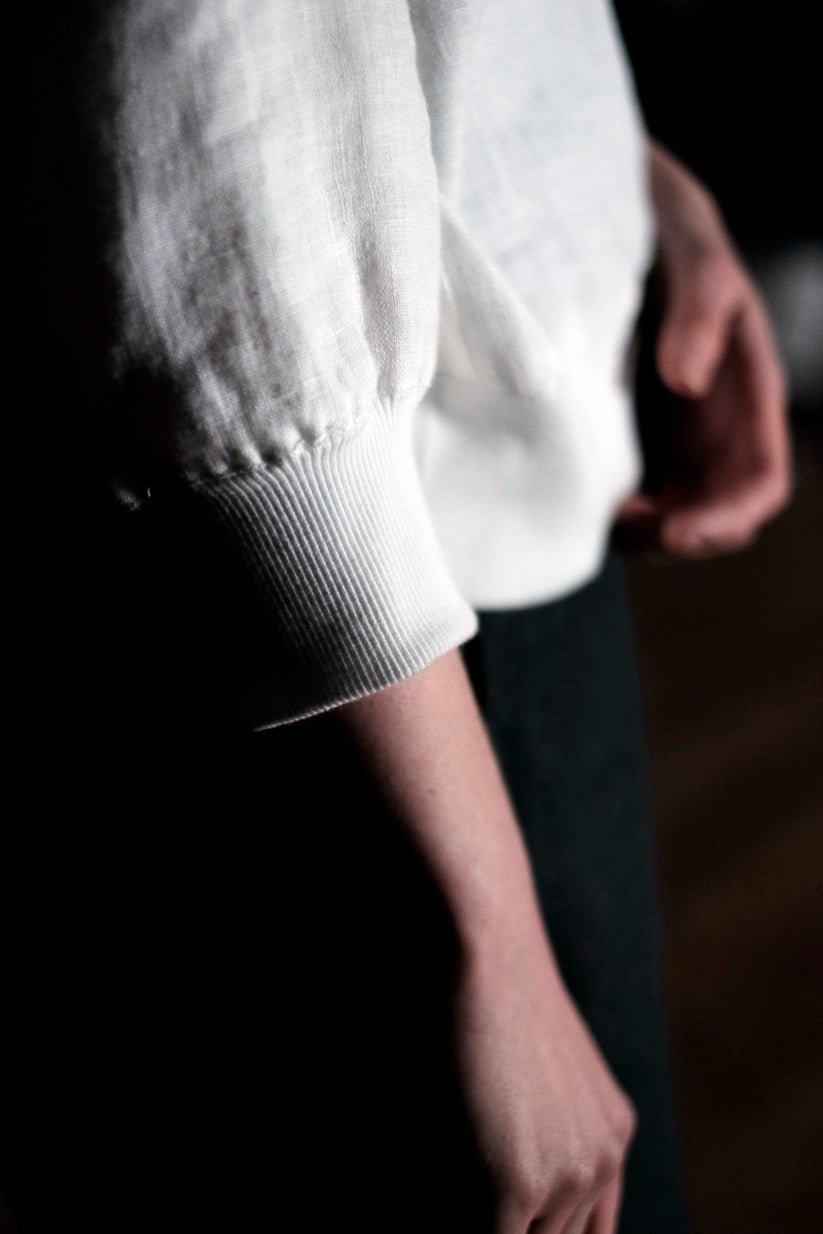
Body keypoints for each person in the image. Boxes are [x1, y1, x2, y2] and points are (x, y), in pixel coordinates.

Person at [2, 4, 791, 1233]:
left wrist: (634, 186)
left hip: (429, 595)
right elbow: (206, 97)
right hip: (406, 654)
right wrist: (492, 939)